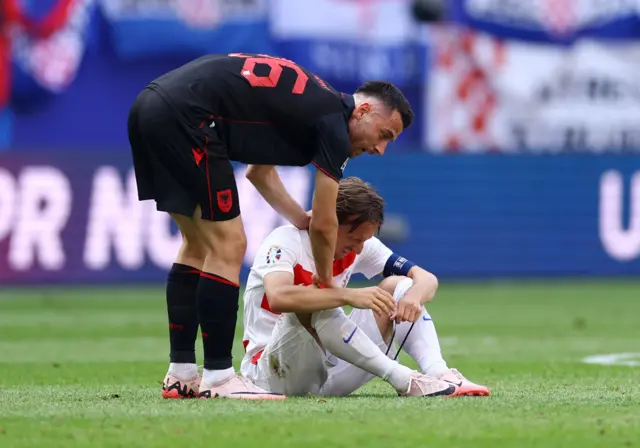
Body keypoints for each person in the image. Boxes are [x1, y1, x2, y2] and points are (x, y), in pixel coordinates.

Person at [127, 53, 414, 400]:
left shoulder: (309, 107)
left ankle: (182, 373)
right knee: (229, 245)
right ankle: (219, 376)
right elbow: (326, 224)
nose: (381, 149)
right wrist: (325, 282)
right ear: (363, 111)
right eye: (384, 134)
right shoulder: (334, 125)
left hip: (150, 106)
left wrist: (298, 218)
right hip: (189, 117)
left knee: (197, 245)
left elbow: (258, 172)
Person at [240, 177, 490, 397]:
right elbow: (278, 297)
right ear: (329, 223)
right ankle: (404, 379)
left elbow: (425, 278)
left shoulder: (361, 246)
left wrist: (413, 296)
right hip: (272, 375)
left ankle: (440, 373)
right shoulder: (284, 241)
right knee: (318, 299)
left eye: (365, 240)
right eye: (355, 238)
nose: (360, 248)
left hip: (330, 371)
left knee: (398, 285)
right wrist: (348, 296)